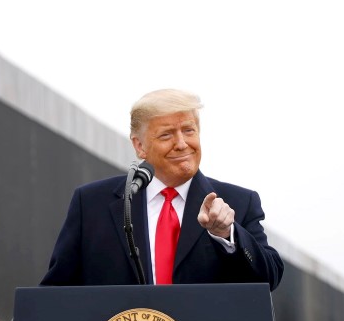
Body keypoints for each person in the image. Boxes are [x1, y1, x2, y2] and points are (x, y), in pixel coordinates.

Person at [40, 88, 283, 290]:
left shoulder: (239, 202)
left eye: (189, 130)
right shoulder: (92, 204)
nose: (181, 144)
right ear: (140, 146)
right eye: (166, 135)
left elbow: (269, 278)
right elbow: (57, 291)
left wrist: (227, 233)